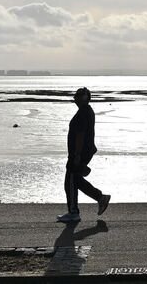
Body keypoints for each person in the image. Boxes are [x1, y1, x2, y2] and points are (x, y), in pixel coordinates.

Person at [57, 87, 111, 223]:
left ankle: (74, 212)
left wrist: (77, 155)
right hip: (83, 152)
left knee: (70, 181)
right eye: (75, 96)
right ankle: (100, 198)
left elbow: (80, 136)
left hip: (79, 153)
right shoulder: (86, 111)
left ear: (85, 98)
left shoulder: (83, 113)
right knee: (75, 181)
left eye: (78, 96)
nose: (75, 98)